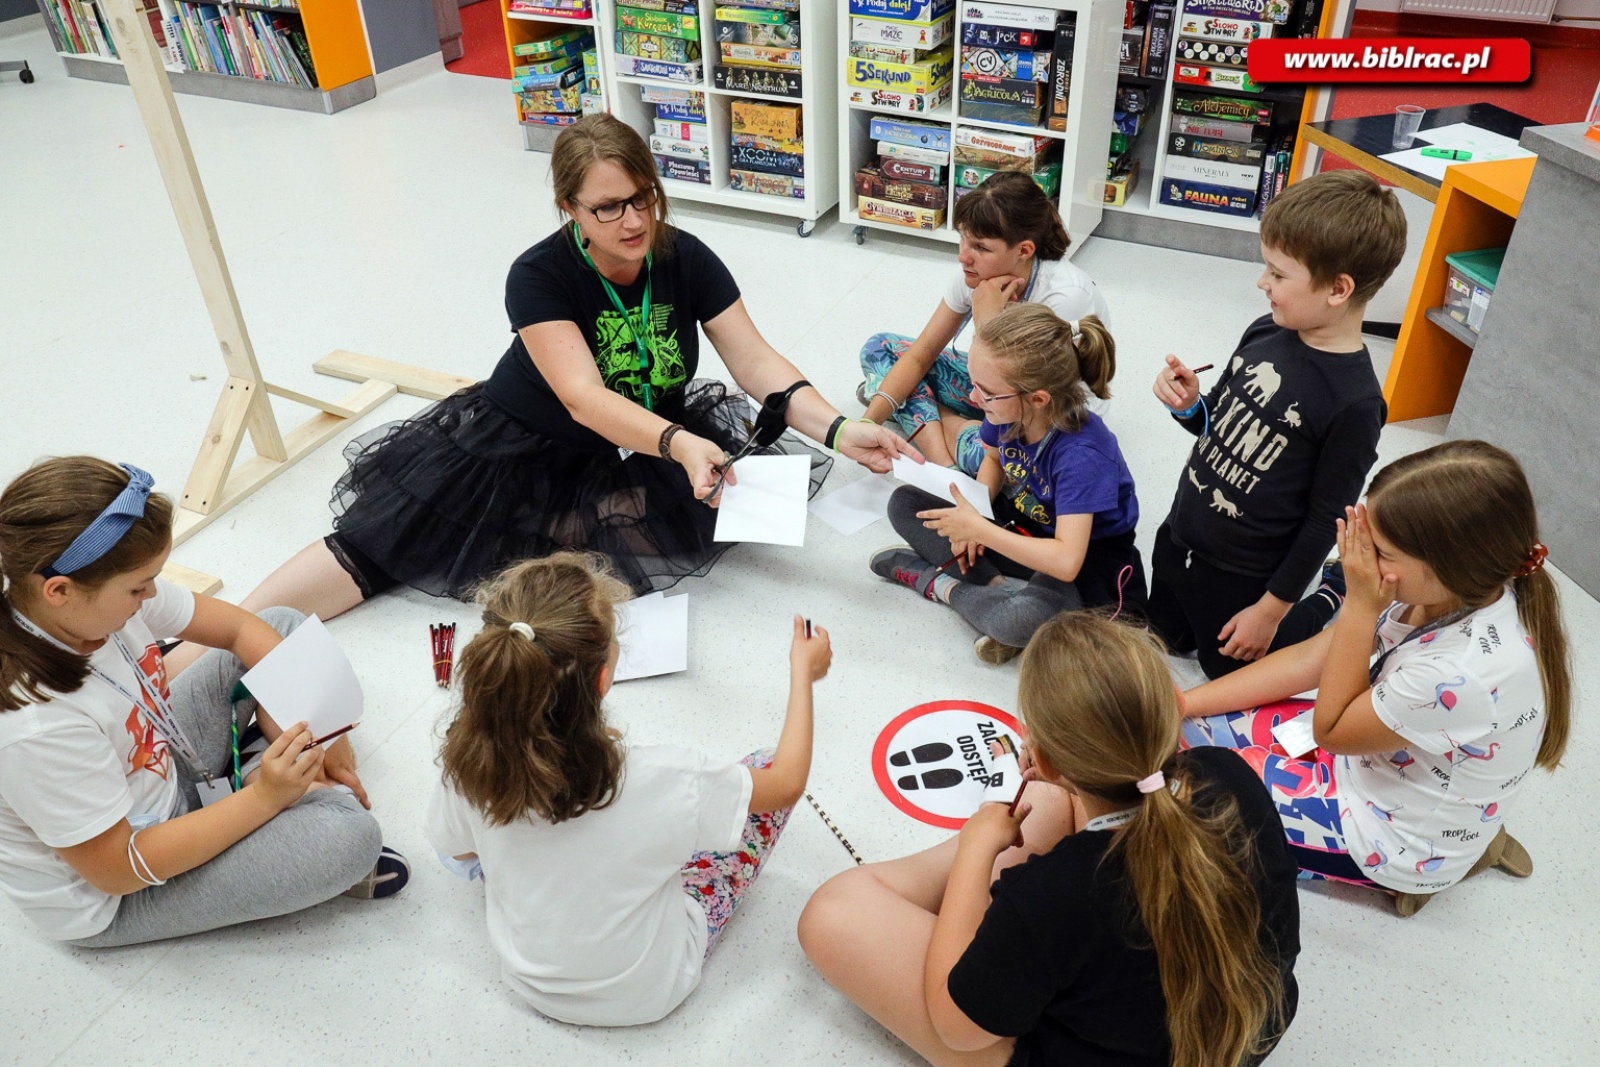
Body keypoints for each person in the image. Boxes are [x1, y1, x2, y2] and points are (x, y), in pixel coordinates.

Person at [212, 114, 913, 631]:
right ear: (569, 209)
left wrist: (839, 428)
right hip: (529, 444)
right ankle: (223, 632)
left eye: (643, 197)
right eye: (607, 207)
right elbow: (583, 397)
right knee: (394, 545)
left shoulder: (684, 254)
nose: (633, 220)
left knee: (601, 571)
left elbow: (756, 360)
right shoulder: (538, 275)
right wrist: (676, 443)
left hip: (643, 444)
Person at [799, 613, 1300, 1067]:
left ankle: (946, 920)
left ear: (1047, 760)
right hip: (1245, 1035)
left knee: (834, 912)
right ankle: (965, 929)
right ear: (1172, 704)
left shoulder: (1054, 895)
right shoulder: (1226, 772)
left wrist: (977, 846)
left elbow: (958, 1029)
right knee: (1049, 803)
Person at [0, 457, 407, 948]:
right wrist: (266, 798)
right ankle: (261, 781)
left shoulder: (92, 597)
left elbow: (240, 627)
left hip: (158, 772)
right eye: (138, 587)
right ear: (60, 591)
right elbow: (118, 869)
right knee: (351, 839)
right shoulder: (35, 729)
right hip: (122, 890)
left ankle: (260, 777)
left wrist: (325, 726)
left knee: (280, 625)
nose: (152, 593)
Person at [425, 551, 831, 1025]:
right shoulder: (668, 776)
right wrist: (803, 674)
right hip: (653, 988)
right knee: (762, 766)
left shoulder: (468, 765)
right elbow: (786, 785)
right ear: (602, 679)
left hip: (531, 984)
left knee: (484, 852)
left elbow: (457, 852)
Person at [1179, 441, 1570, 915]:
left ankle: (1429, 872)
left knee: (1187, 788)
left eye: (1378, 550)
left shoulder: (1458, 671)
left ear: (1447, 565)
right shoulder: (1446, 591)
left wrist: (1360, 607)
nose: (1358, 559)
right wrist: (1185, 703)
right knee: (1181, 730)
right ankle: (1475, 836)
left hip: (1384, 834)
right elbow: (1311, 659)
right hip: (1380, 750)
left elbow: (1332, 731)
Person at [1147, 169, 1407, 679]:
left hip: (1245, 574)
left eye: (1278, 274)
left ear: (1338, 289)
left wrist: (1270, 612)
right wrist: (1190, 405)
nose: (1261, 282)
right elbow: (1213, 423)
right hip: (1180, 535)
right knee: (1163, 635)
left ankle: (1331, 593)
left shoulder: (1355, 405)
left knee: (1225, 670)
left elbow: (1325, 519)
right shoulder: (1266, 329)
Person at [867, 304, 1146, 664]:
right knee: (904, 502)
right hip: (1024, 521)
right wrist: (976, 512)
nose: (973, 399)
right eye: (974, 384)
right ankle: (995, 588)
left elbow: (1066, 561)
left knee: (1021, 622)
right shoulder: (1006, 412)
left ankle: (941, 585)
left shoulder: (1082, 455)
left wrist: (979, 531)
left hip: (1085, 556)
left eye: (985, 391)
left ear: (1038, 399)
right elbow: (994, 459)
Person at [858, 171, 1110, 472]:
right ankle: (943, 461)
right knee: (879, 349)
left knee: (996, 462)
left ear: (1024, 250)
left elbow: (1025, 394)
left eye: (980, 247)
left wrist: (986, 319)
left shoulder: (1066, 296)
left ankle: (930, 417)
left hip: (1045, 413)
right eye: (962, 238)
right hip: (994, 393)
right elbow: (921, 354)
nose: (963, 257)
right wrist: (864, 428)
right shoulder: (976, 274)